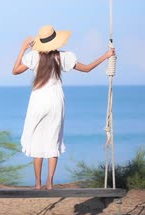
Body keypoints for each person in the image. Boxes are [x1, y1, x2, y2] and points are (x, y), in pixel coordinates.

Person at [12, 25, 116, 190]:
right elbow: (87, 69)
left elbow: (15, 71)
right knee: (53, 139)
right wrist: (106, 55)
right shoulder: (63, 57)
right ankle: (50, 183)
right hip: (55, 100)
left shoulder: (33, 56)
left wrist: (23, 49)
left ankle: (38, 184)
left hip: (38, 100)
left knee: (37, 139)